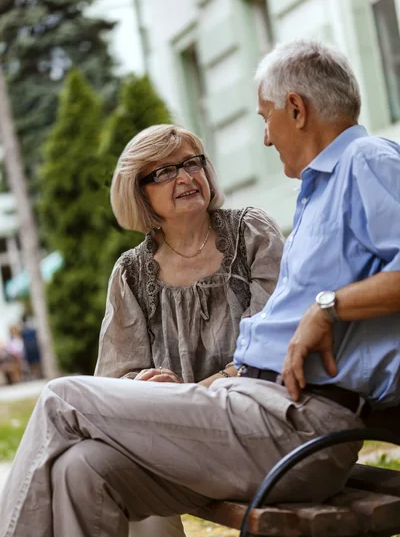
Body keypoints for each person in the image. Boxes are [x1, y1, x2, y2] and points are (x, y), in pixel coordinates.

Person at [2, 39, 400, 537]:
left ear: (296, 109)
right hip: (256, 413)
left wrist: (328, 307)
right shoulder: (318, 191)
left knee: (63, 397)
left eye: (265, 117)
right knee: (82, 469)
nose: (265, 138)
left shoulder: (366, 159)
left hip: (295, 423)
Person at [94, 123, 284, 537]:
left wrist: (194, 392)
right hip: (180, 438)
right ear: (138, 191)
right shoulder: (131, 271)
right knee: (110, 463)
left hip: (256, 425)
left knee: (101, 444)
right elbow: (116, 378)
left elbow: (274, 346)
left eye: (190, 163)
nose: (184, 177)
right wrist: (146, 382)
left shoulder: (251, 233)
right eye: (163, 172)